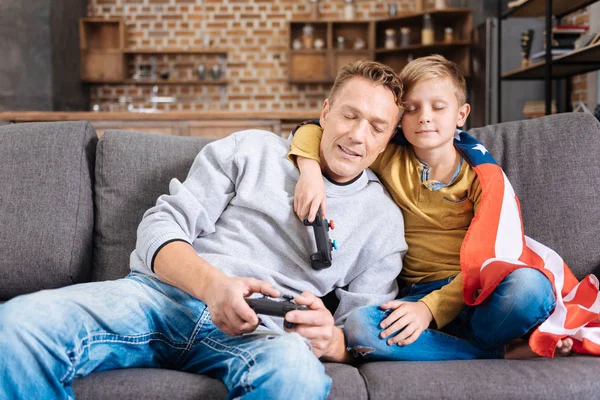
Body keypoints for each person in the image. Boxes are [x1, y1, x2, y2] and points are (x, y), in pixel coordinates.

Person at [0, 60, 408, 399]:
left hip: (262, 332)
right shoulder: (252, 149)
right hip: (160, 299)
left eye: (376, 126)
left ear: (389, 138)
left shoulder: (382, 222)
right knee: (16, 327)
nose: (357, 135)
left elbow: (364, 332)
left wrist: (332, 342)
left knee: (296, 375)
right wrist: (213, 286)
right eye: (349, 115)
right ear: (324, 112)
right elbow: (161, 226)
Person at [288, 54, 576, 361]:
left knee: (530, 288)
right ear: (399, 119)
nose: (424, 116)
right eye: (412, 109)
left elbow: (499, 257)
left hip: (478, 292)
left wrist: (431, 309)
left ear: (461, 114)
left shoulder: (483, 177)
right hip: (414, 293)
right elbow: (310, 129)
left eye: (438, 107)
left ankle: (468, 342)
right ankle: (492, 353)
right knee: (359, 327)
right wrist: (309, 172)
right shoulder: (387, 155)